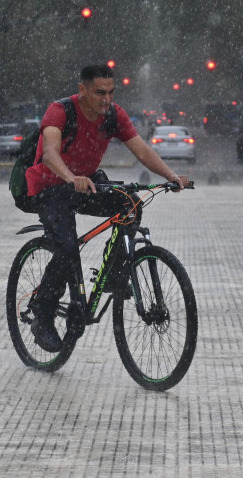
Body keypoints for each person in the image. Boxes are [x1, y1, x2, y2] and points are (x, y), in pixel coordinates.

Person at [23, 64, 191, 353]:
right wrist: (70, 177)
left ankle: (115, 273)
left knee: (130, 204)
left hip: (84, 185)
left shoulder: (113, 116)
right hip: (49, 188)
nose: (106, 99)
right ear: (83, 90)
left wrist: (171, 176)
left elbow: (142, 150)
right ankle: (42, 315)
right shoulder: (60, 112)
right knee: (65, 249)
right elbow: (50, 152)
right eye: (100, 92)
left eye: (111, 92)